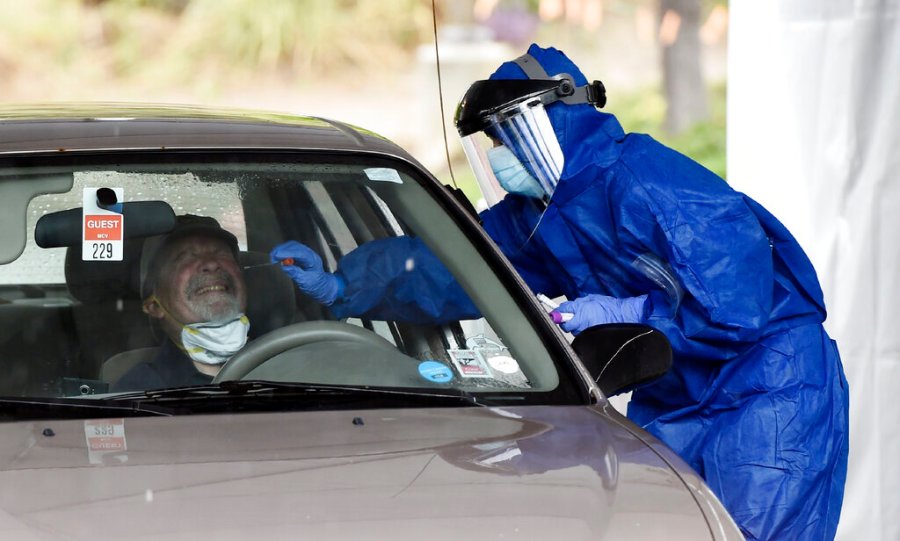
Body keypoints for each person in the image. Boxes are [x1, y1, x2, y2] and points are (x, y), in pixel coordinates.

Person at [270, 44, 849, 540]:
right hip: (672, 392)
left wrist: (630, 310)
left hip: (767, 390)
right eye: (490, 142)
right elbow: (455, 266)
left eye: (505, 135)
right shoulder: (537, 217)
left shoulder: (649, 181)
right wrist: (346, 283)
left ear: (549, 119)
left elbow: (736, 308)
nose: (498, 156)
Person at [112, 215, 249, 391]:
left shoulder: (289, 356)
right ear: (154, 306)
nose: (212, 263)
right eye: (185, 257)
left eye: (221, 253)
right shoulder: (138, 392)